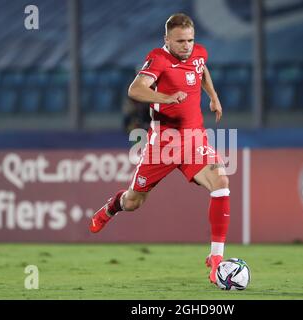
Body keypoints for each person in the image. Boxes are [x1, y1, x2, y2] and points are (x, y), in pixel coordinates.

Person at [89, 13, 230, 285]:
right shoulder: (159, 59)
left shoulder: (198, 53)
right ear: (167, 39)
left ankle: (216, 259)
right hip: (163, 143)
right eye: (180, 41)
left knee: (221, 182)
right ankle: (112, 207)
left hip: (193, 139)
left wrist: (213, 96)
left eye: (190, 40)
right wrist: (165, 97)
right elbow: (136, 89)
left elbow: (201, 69)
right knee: (133, 202)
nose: (186, 46)